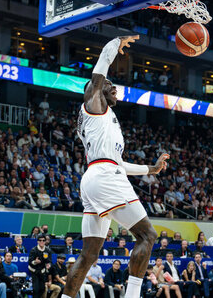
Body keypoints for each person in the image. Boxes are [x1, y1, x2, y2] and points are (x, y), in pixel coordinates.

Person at [62, 35, 169, 298]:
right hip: (104, 176)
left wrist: (150, 170)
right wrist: (115, 42)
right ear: (97, 90)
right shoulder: (93, 105)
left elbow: (118, 163)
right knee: (147, 236)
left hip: (97, 176)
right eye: (110, 86)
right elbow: (99, 70)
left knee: (89, 255)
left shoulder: (104, 120)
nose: (114, 89)